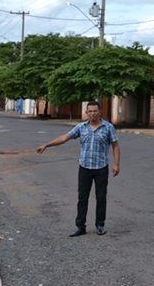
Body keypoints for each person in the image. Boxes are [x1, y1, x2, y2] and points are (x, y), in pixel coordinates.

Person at [34, 101, 120, 237]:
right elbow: (64, 138)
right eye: (90, 111)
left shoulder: (108, 128)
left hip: (101, 168)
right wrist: (47, 145)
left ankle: (100, 225)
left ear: (100, 112)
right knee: (82, 198)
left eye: (95, 111)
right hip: (85, 167)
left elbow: (115, 146)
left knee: (101, 198)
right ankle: (80, 226)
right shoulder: (81, 127)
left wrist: (116, 164)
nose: (92, 113)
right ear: (87, 113)